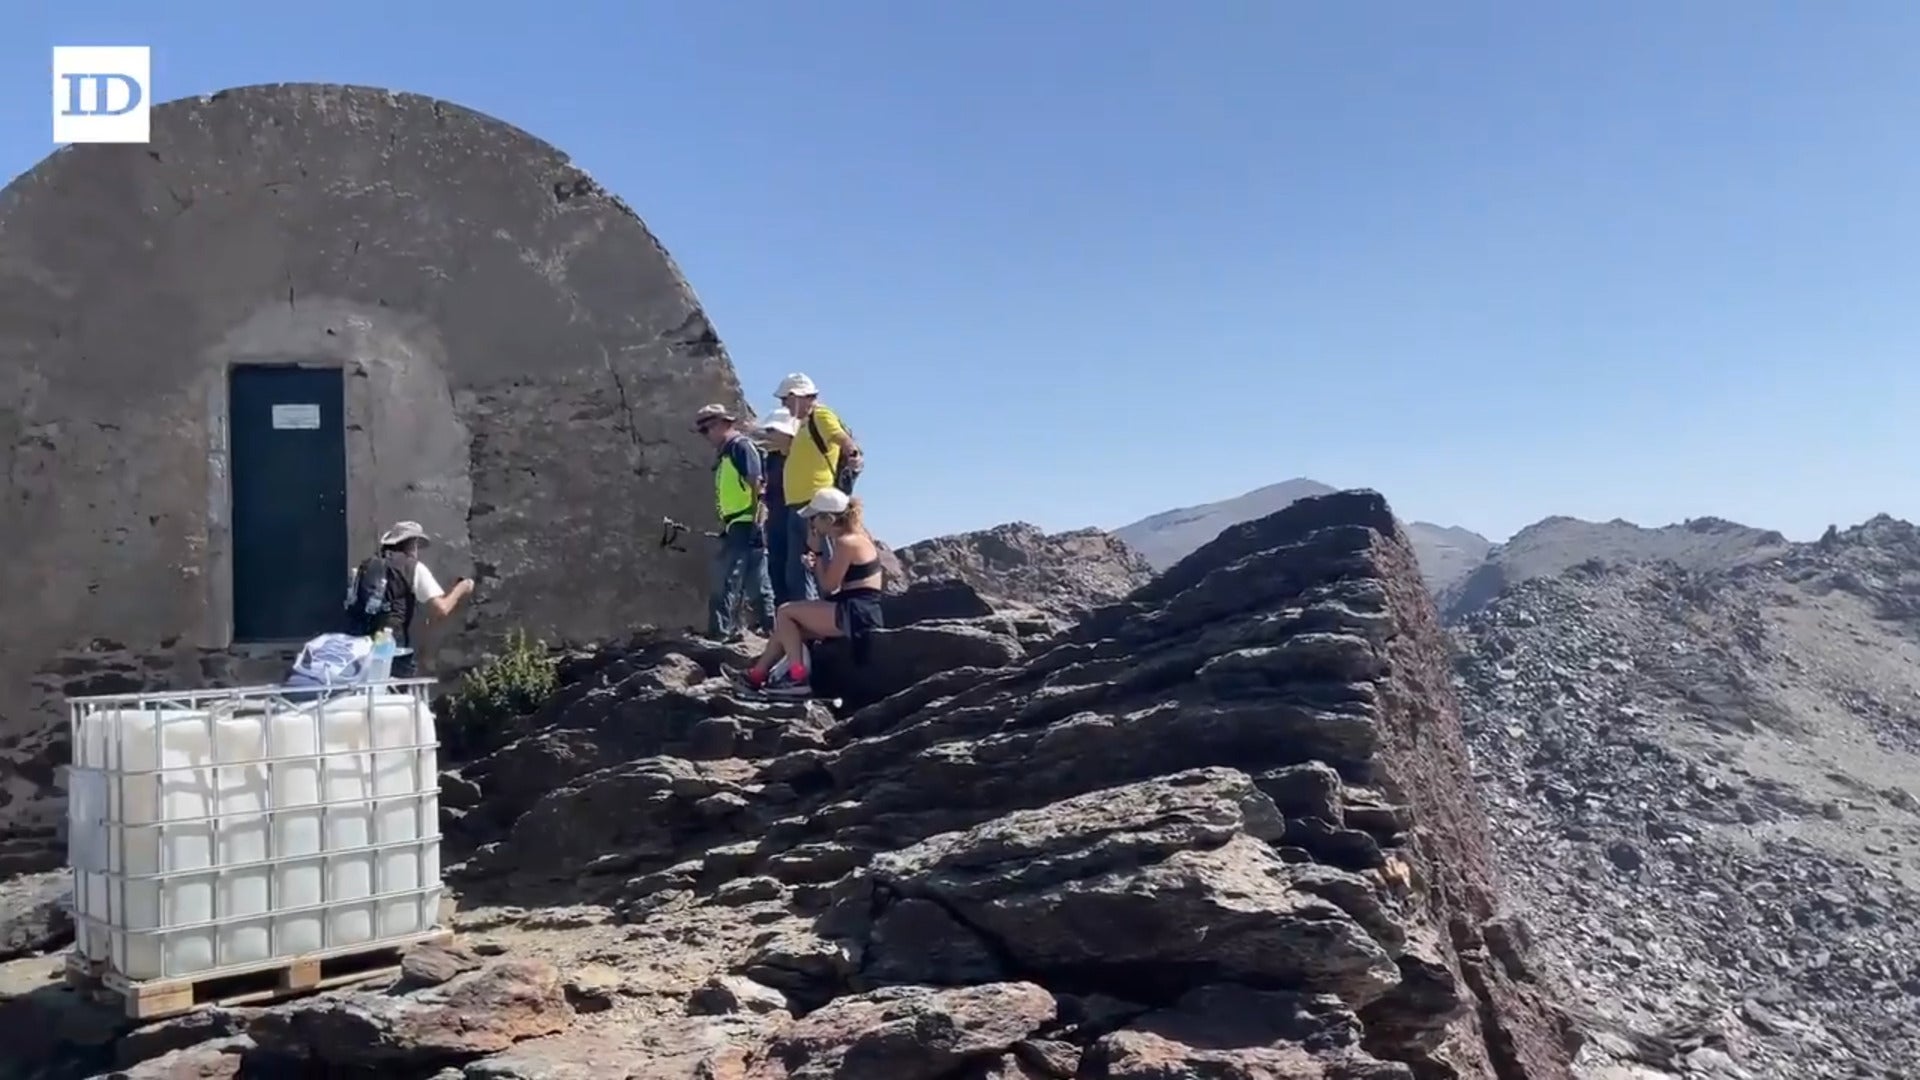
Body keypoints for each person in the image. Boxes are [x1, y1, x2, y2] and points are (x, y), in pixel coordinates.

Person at [733, 488, 885, 697]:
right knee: (787, 630)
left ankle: (797, 677)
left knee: (785, 612)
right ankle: (757, 675)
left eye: (813, 518)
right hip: (857, 608)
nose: (811, 523)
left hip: (856, 612)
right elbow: (832, 585)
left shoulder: (846, 542)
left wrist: (818, 552)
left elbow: (829, 586)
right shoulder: (857, 536)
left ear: (828, 519)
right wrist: (816, 563)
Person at [343, 520, 473, 677]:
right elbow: (441, 609)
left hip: (360, 646)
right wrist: (462, 588)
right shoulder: (412, 567)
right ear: (412, 545)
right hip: (390, 647)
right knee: (394, 694)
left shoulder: (368, 565)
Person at [775, 373, 863, 602]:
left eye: (785, 399)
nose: (783, 405)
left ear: (798, 396)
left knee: (818, 563)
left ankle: (828, 616)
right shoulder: (801, 425)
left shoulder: (821, 415)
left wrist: (852, 454)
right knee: (798, 569)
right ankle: (809, 621)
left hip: (815, 504)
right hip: (798, 504)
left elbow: (841, 438)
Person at [695, 403, 775, 640]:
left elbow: (757, 485)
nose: (704, 436)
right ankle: (773, 631)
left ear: (721, 424)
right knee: (756, 583)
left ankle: (719, 634)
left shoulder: (740, 448)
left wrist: (756, 522)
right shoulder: (727, 452)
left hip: (745, 523)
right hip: (738, 524)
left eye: (705, 429)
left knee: (724, 580)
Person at [756, 408, 800, 607]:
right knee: (776, 567)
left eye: (774, 431)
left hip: (797, 516)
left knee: (797, 570)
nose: (770, 435)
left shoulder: (802, 458)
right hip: (776, 518)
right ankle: (782, 617)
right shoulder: (771, 459)